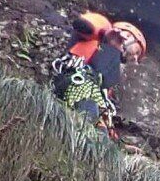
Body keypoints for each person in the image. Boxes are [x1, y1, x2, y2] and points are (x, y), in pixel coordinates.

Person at [52, 11, 148, 139]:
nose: (135, 58)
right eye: (136, 51)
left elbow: (102, 108)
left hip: (87, 93)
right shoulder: (100, 38)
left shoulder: (111, 73)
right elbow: (82, 25)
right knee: (89, 118)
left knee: (99, 129)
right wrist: (109, 37)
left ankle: (97, 144)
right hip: (77, 81)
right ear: (127, 35)